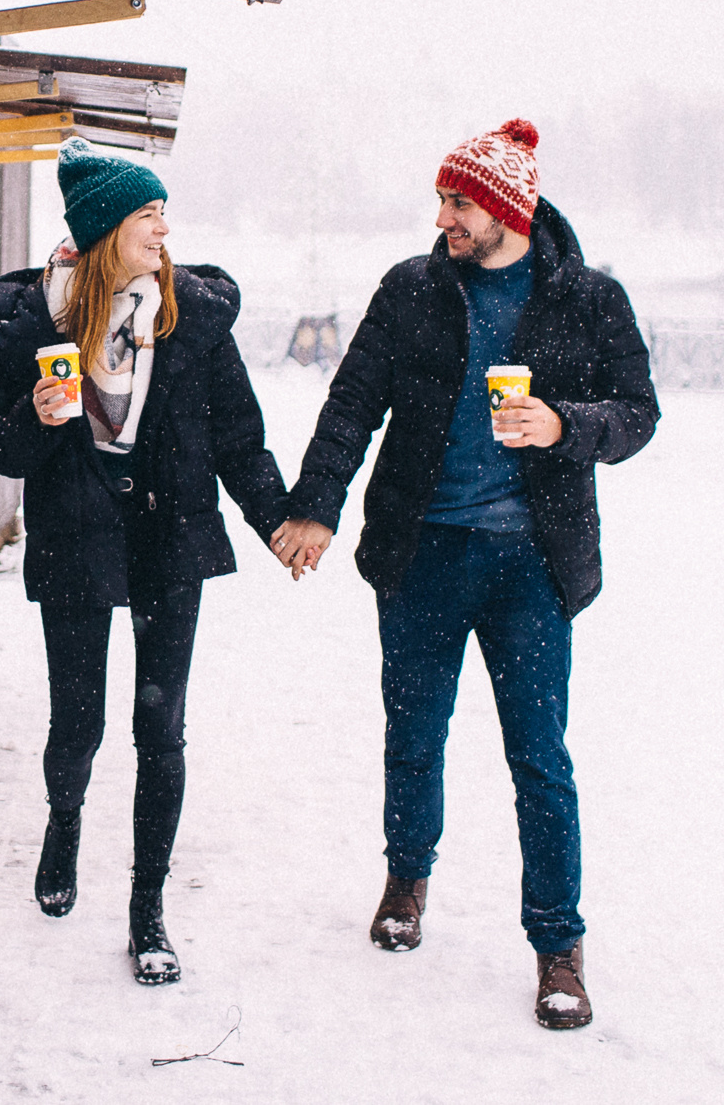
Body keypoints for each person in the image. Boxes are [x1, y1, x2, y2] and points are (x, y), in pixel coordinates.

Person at [270, 119, 657, 1032]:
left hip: (533, 565)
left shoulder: (589, 298)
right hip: (424, 553)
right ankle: (407, 880)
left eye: (458, 202)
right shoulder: (411, 290)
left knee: (539, 758)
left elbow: (638, 412)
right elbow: (353, 401)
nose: (442, 217)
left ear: (506, 209)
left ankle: (558, 946)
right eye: (442, 199)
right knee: (414, 732)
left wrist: (564, 425)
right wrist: (316, 504)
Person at [0, 137, 290, 988]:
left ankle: (148, 909)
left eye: (162, 213)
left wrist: (281, 521)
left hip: (166, 540)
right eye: (150, 214)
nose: (164, 228)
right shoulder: (31, 323)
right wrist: (37, 419)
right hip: (76, 535)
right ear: (109, 227)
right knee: (78, 723)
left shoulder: (190, 319)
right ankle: (64, 819)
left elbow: (239, 436)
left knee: (162, 730)